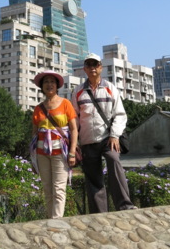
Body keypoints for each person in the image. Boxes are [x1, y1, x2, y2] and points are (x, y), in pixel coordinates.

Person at [71, 53, 136, 213]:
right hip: (87, 139)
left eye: (95, 64)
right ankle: (99, 213)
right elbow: (74, 119)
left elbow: (120, 114)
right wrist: (75, 142)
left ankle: (125, 205)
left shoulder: (110, 88)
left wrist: (114, 135)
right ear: (84, 69)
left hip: (108, 138)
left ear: (100, 67)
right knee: (93, 177)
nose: (92, 68)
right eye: (89, 65)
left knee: (114, 161)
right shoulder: (78, 91)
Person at [31, 70, 78, 218]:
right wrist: (32, 158)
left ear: (57, 85)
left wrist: (72, 152)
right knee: (47, 189)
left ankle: (57, 221)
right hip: (41, 153)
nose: (49, 84)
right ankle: (50, 219)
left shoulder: (66, 104)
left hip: (60, 152)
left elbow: (74, 129)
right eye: (46, 82)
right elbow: (34, 134)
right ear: (42, 86)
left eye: (52, 81)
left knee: (58, 188)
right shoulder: (38, 108)